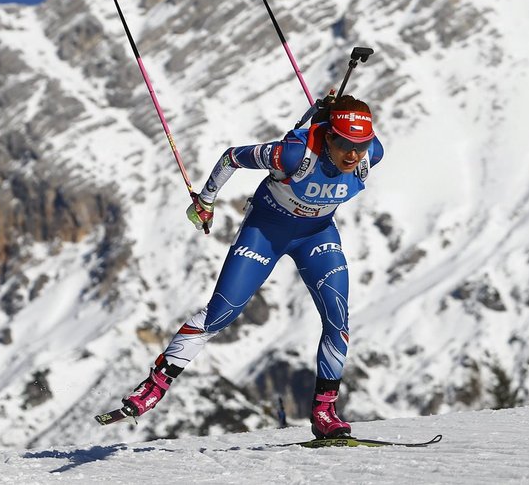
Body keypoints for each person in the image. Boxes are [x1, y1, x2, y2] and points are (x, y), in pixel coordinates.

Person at [121, 95, 384, 439]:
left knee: (338, 318)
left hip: (316, 235)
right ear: (329, 135)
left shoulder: (371, 156)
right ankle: (153, 386)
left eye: (361, 145)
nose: (354, 155)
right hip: (266, 232)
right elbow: (232, 157)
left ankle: (324, 411)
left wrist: (346, 128)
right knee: (221, 313)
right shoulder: (293, 155)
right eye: (346, 144)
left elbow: (358, 147)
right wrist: (206, 200)